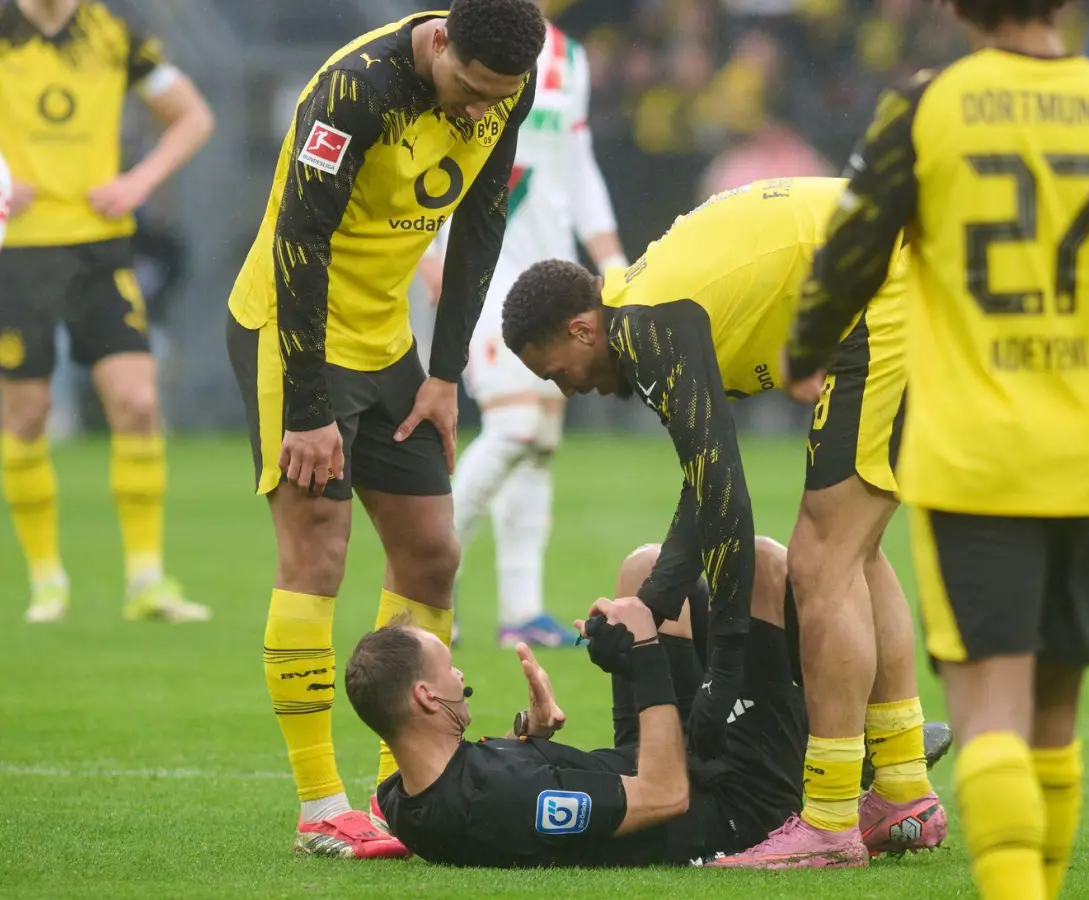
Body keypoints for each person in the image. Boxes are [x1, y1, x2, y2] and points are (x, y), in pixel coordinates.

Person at [783, 0, 1089, 894]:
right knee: (1056, 717)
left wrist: (804, 353)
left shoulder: (926, 107)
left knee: (990, 708)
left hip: (974, 454)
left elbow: (850, 248)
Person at [503, 176, 948, 866]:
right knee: (851, 549)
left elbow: (728, 500)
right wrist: (648, 607)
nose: (571, 388)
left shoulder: (645, 327)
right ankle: (903, 789)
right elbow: (702, 491)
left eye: (559, 371)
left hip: (885, 283)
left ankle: (830, 821)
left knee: (820, 558)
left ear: (581, 328)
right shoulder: (647, 313)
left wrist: (727, 668)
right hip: (901, 270)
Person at [224, 0, 544, 859]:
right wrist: (307, 407)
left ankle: (403, 789)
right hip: (293, 336)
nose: (482, 111)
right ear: (440, 42)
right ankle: (320, 805)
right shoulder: (353, 89)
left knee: (433, 554)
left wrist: (445, 376)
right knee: (318, 552)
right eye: (470, 90)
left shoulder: (506, 78)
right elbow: (299, 237)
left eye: (498, 97)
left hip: (387, 343)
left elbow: (481, 224)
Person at [357, 537, 874, 868]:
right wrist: (644, 657)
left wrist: (531, 734)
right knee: (763, 563)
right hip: (728, 803)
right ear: (425, 697)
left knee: (643, 570)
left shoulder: (401, 798)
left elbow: (490, 808)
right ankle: (846, 755)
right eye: (449, 668)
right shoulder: (502, 798)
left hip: (645, 761)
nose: (460, 672)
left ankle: (818, 737)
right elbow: (665, 796)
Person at [0, 0, 215, 624]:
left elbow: (193, 116)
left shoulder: (114, 34)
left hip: (100, 247)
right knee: (27, 416)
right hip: (20, 253)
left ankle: (147, 580)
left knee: (139, 404)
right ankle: (47, 583)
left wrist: (138, 183)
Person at [417, 19, 628, 649]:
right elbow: (420, 146)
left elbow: (576, 163)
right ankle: (426, 586)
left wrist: (610, 258)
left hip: (548, 271)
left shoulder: (570, 57)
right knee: (514, 426)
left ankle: (522, 611)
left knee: (538, 441)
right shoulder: (454, 39)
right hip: (477, 266)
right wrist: (429, 252)